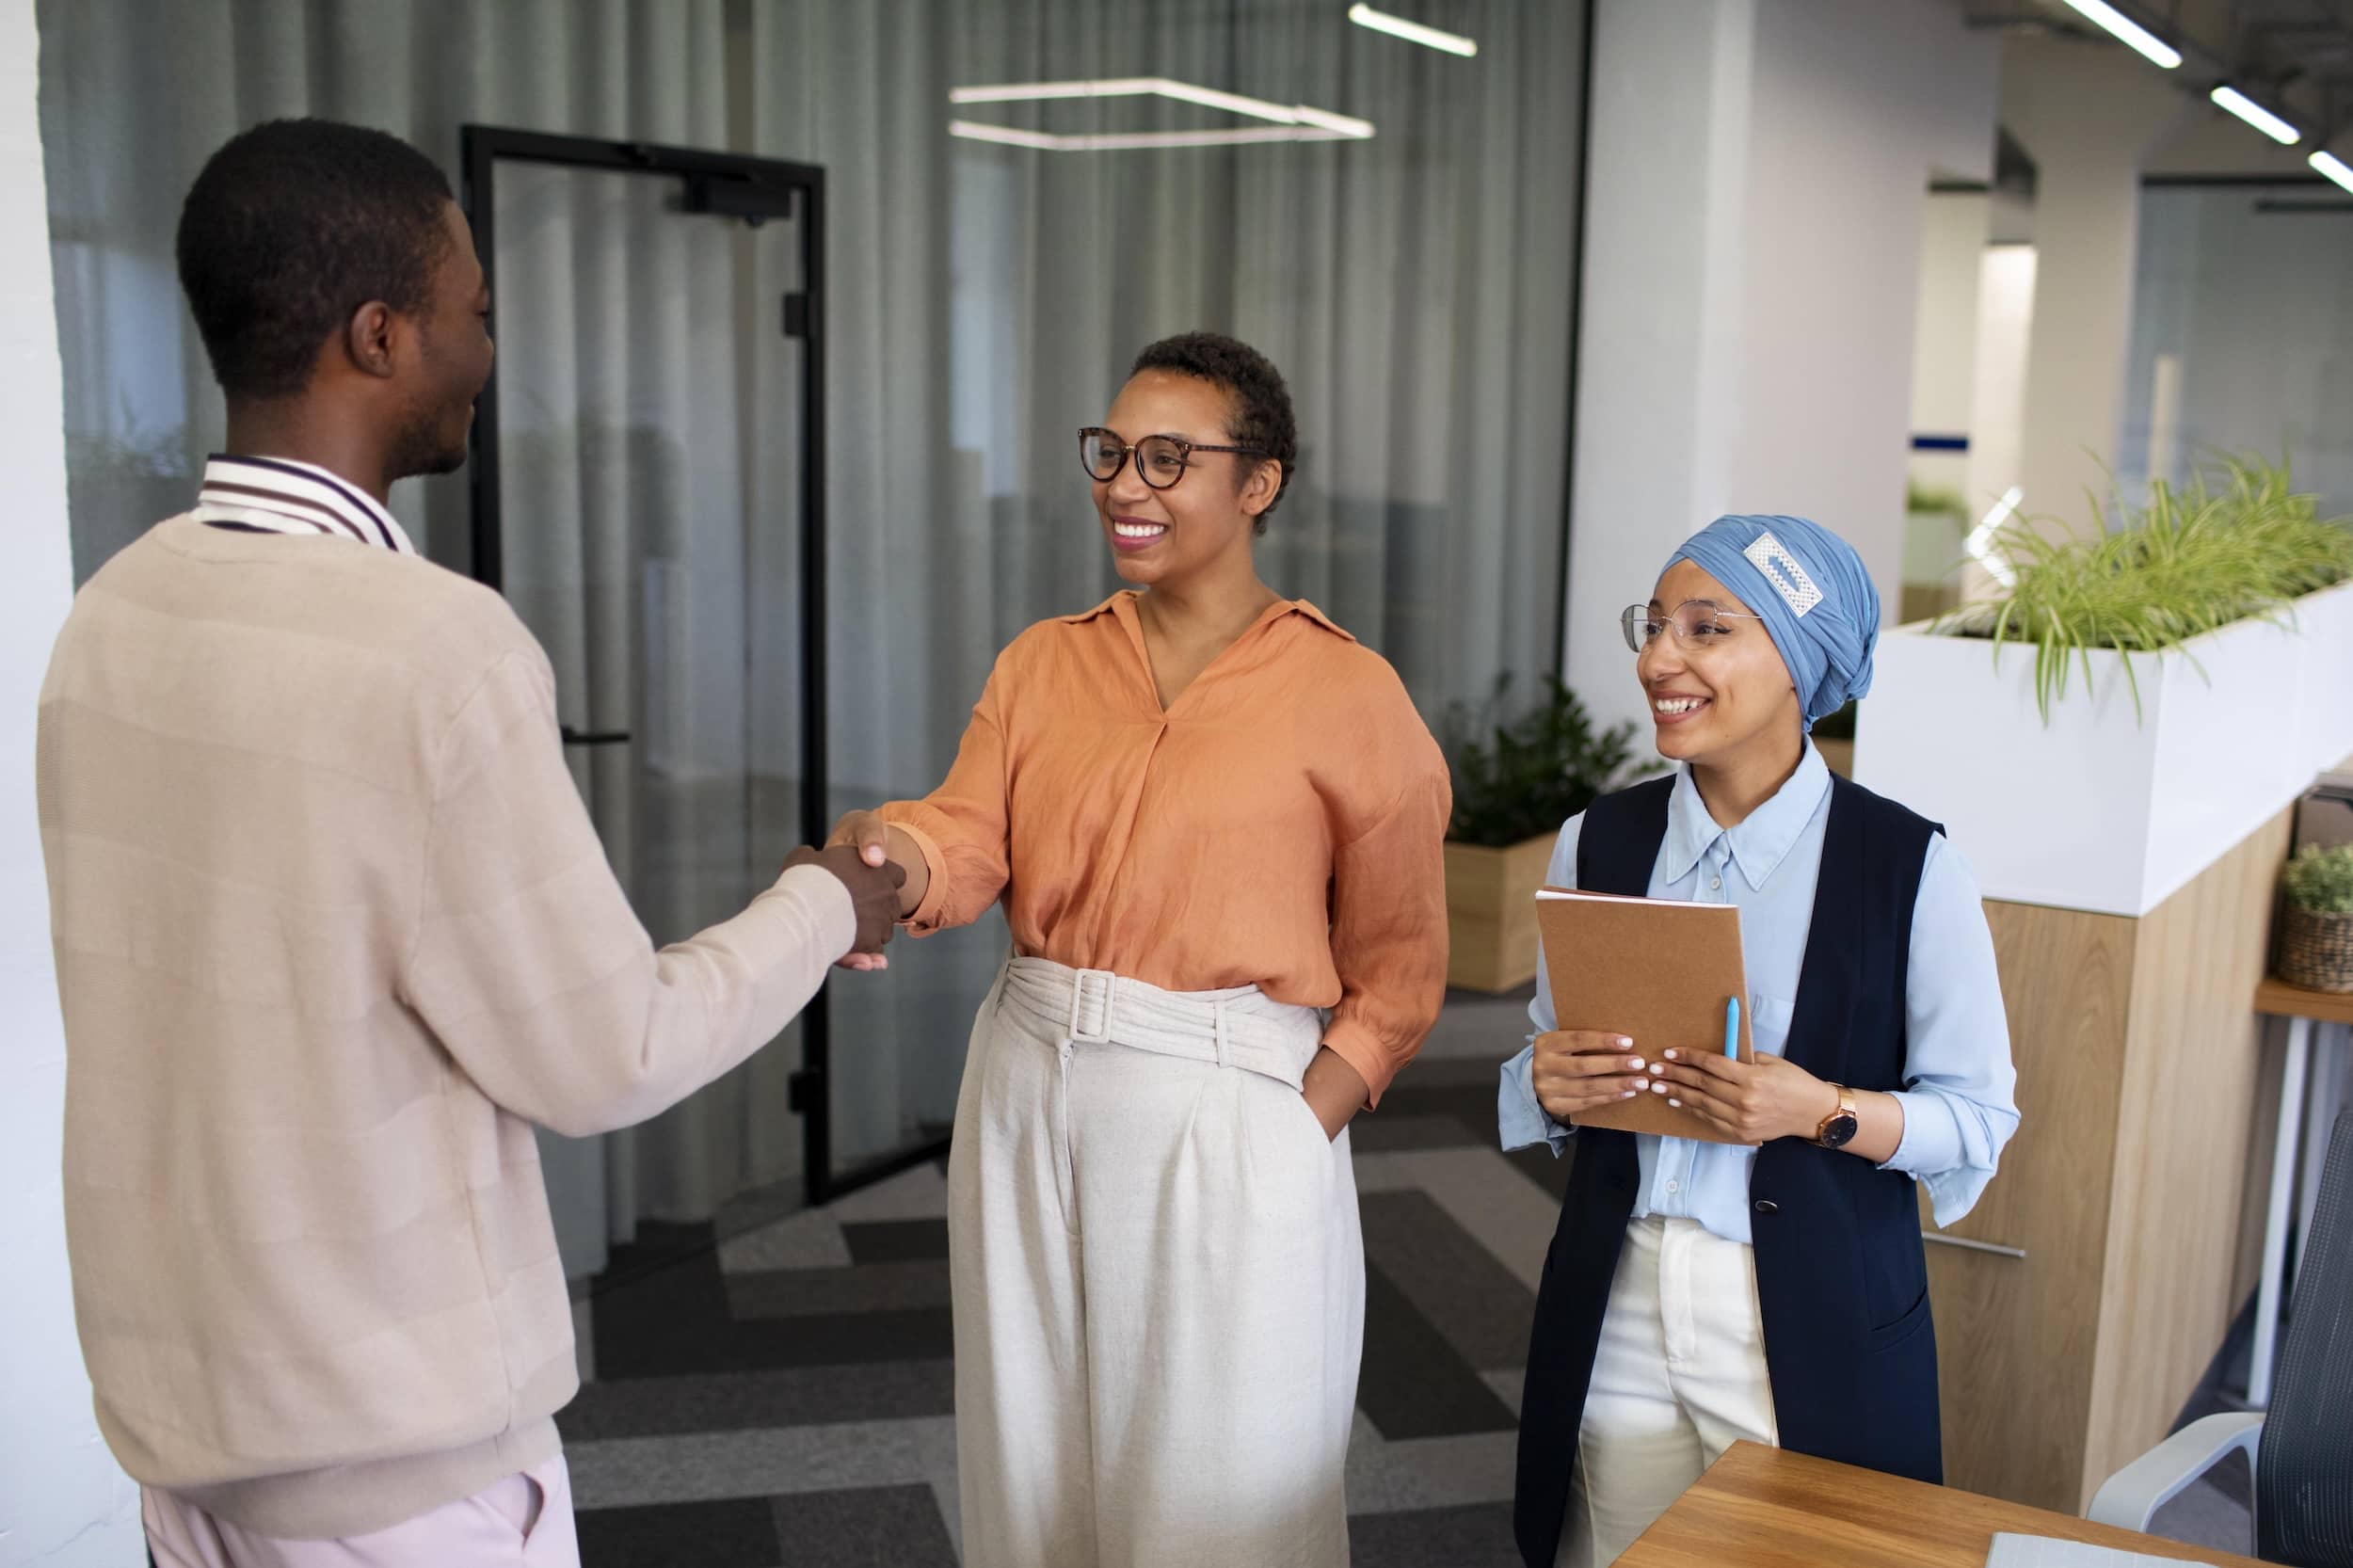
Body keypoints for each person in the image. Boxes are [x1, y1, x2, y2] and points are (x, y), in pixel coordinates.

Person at [37, 118, 904, 1567]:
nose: (489, 351)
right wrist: (826, 900)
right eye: (474, 312)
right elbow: (605, 1049)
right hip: (394, 1478)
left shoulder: (107, 616)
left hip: (180, 1447)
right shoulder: (433, 649)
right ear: (380, 336)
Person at [827, 331, 1451, 1568]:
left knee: (1213, 1486)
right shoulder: (1047, 658)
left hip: (1226, 1096)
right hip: (1023, 1069)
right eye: (1111, 452)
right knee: (1031, 1457)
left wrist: (1295, 1119)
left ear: (1258, 484)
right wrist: (890, 852)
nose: (1125, 484)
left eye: (1169, 458)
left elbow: (1401, 963)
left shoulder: (1350, 693)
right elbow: (970, 831)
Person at [1499, 515, 2020, 1568]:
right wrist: (1547, 1080)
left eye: (1706, 628)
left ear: (1798, 662)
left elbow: (1977, 1118)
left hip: (1802, 1316)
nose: (1658, 659)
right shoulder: (1596, 839)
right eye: (1653, 626)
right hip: (1623, 1301)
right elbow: (1542, 1057)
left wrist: (1819, 1110)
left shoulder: (1906, 866)